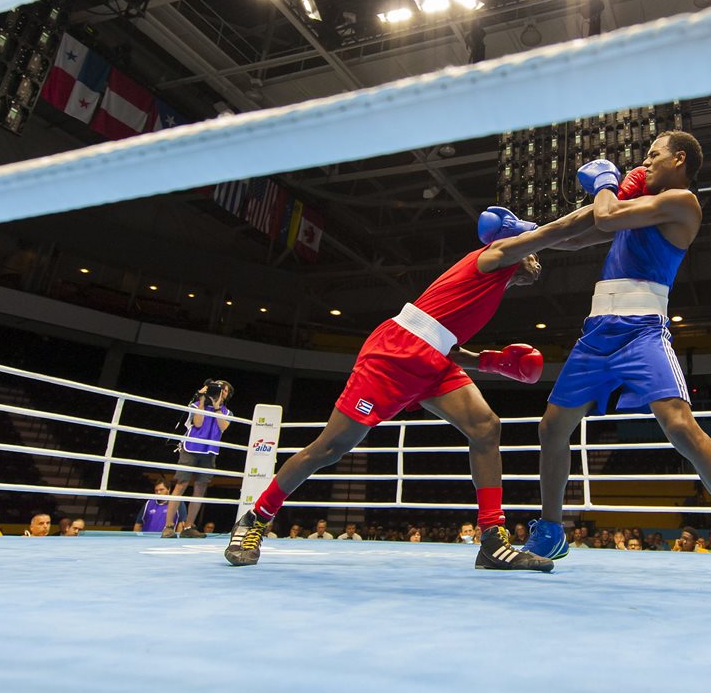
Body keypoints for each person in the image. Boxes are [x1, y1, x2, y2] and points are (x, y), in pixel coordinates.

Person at [225, 203, 598, 571]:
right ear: (516, 240)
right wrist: (611, 204)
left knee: (486, 427)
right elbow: (559, 233)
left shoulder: (493, 278)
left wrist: (491, 361)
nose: (534, 261)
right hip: (394, 355)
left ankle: (491, 540)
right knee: (330, 447)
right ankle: (255, 519)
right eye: (528, 246)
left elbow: (446, 344)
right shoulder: (494, 254)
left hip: (433, 359)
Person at [520, 132, 711, 593]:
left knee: (681, 427)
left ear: (679, 159)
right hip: (596, 333)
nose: (642, 164)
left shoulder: (682, 202)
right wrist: (522, 236)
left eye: (653, 155)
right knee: (551, 428)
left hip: (642, 329)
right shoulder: (637, 208)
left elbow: (605, 215)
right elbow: (580, 233)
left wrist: (605, 181)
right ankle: (550, 532)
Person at [163, 378, 234, 539]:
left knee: (200, 488)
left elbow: (223, 427)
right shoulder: (196, 406)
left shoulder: (227, 413)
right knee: (181, 485)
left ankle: (188, 527)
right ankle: (168, 527)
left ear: (227, 395)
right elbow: (198, 423)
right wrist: (201, 399)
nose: (220, 390)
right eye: (217, 387)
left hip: (209, 452)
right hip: (190, 449)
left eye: (224, 389)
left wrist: (216, 407)